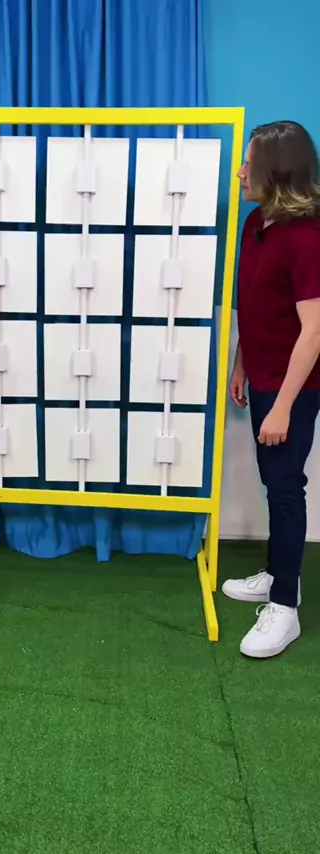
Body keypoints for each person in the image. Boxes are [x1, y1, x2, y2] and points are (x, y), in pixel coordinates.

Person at [222, 120, 320, 658]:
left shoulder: (307, 238)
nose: (241, 171)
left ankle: (285, 608)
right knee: (272, 479)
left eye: (249, 162)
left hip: (295, 388)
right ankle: (279, 575)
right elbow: (255, 304)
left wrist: (283, 406)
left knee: (284, 488)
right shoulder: (256, 222)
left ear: (276, 170)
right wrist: (241, 362)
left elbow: (314, 331)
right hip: (261, 375)